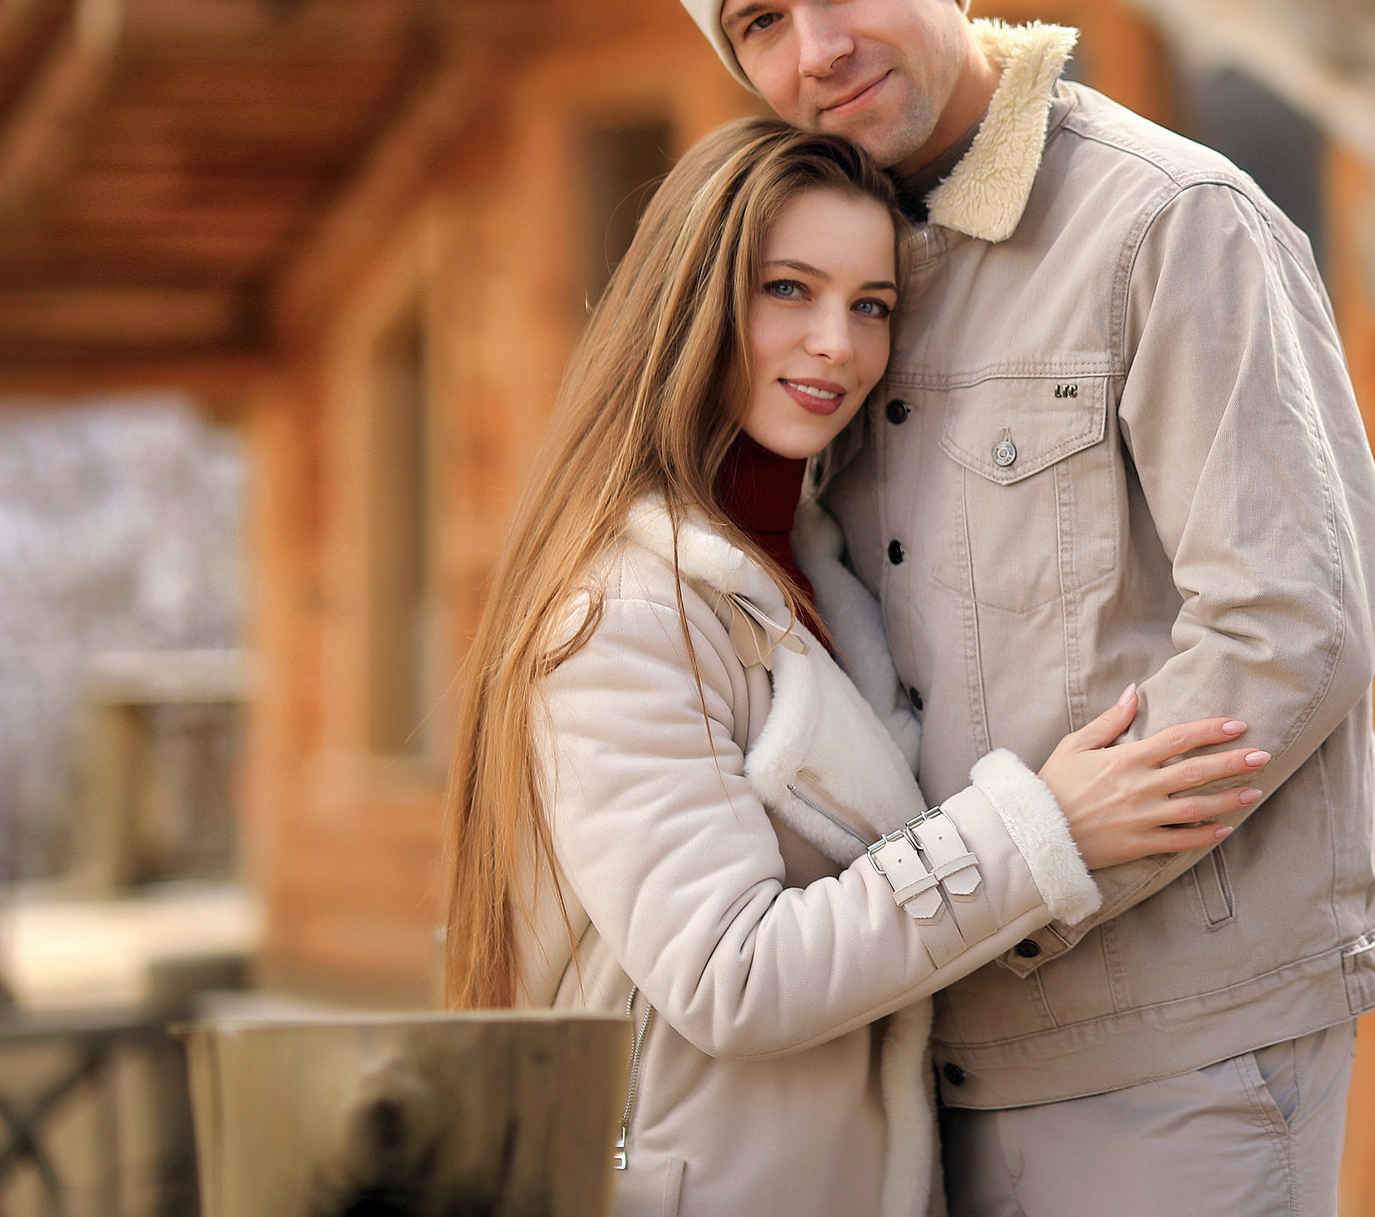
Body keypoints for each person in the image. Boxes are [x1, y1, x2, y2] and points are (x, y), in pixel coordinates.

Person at [655, 0, 1375, 1216]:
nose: (817, 48)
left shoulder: (1166, 222)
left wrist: (1022, 878)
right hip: (928, 1038)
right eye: (759, 22)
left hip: (1175, 1024)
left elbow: (1290, 621)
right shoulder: (838, 288)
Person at [437, 118, 1269, 1217]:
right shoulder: (621, 613)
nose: (838, 342)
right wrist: (1041, 830)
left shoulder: (816, 573)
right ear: (692, 303)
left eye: (870, 305)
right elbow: (731, 975)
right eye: (789, 290)